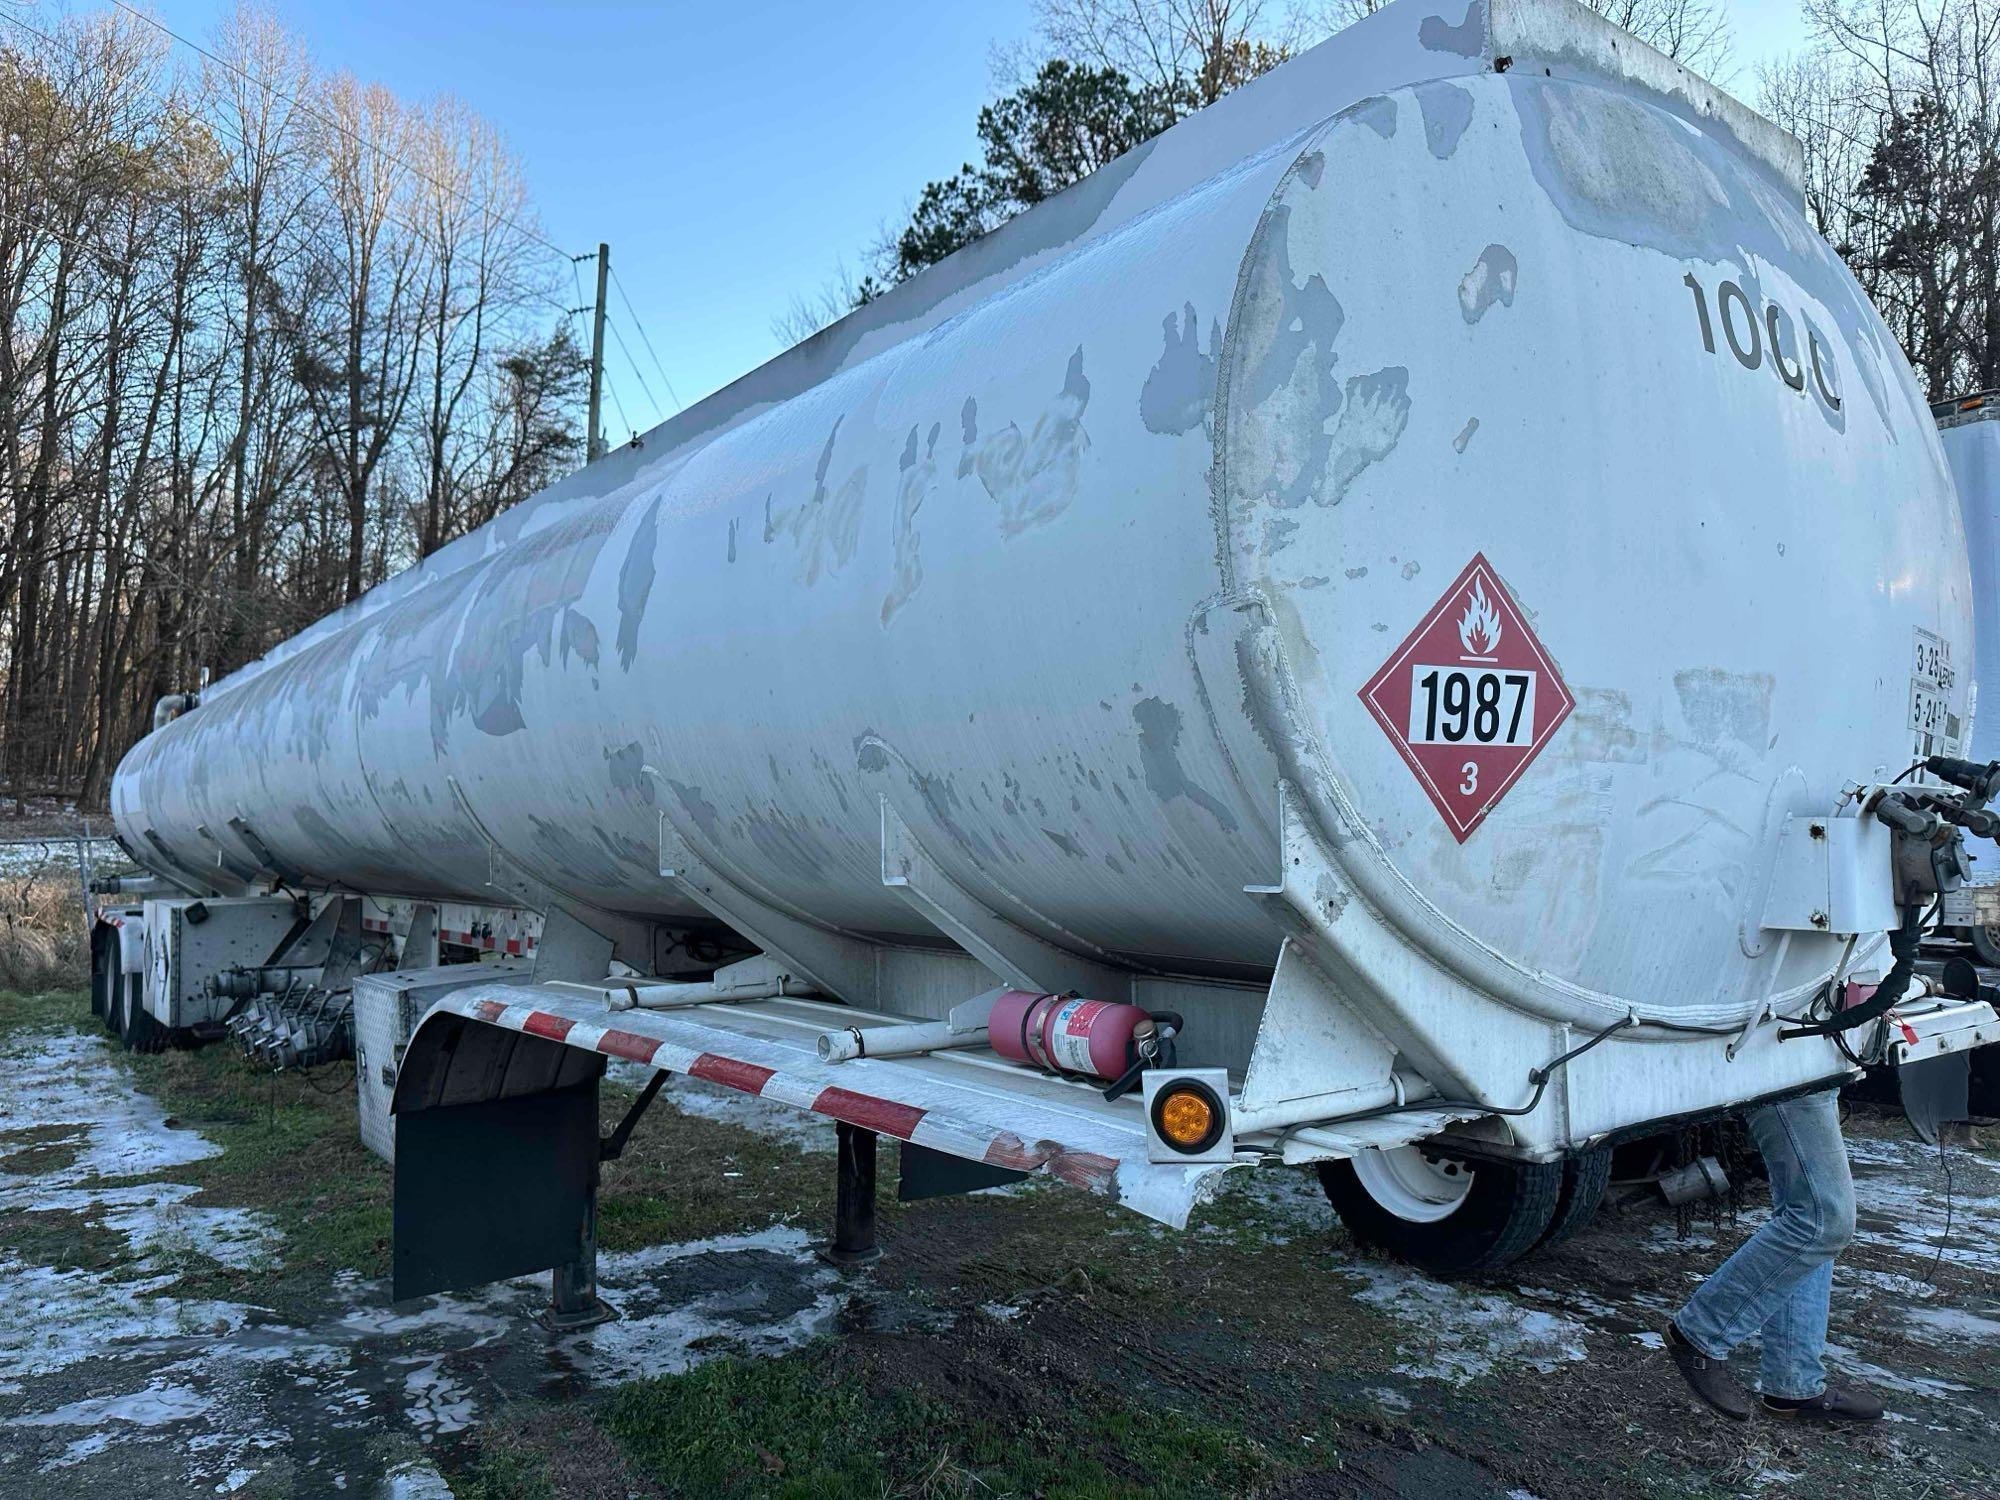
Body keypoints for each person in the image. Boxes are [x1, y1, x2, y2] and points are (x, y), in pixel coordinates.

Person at [1664, 1088, 1885, 1422]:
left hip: (1811, 1058)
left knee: (1807, 1212)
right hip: (1789, 1054)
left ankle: (1793, 1386)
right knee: (1824, 1219)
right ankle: (1700, 1333)